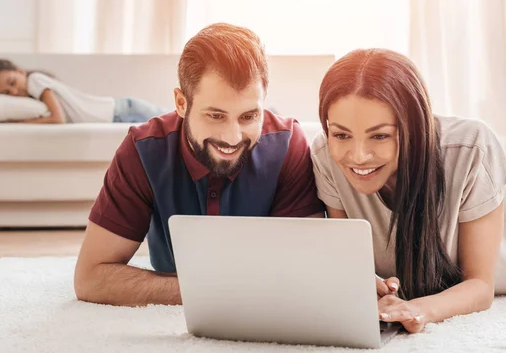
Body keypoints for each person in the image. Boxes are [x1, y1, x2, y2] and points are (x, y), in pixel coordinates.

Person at [73, 23, 326, 307]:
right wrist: (213, 292)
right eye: (216, 116)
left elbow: (308, 269)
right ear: (182, 103)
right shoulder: (142, 151)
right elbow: (90, 278)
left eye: (248, 116)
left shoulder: (288, 145)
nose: (233, 138)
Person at [311, 48, 506, 334]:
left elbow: (480, 286)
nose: (358, 156)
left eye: (379, 136)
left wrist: (418, 309)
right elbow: (348, 262)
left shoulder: (470, 147)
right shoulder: (324, 154)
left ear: (413, 128)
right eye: (341, 135)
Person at [0, 59, 168, 124]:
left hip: (122, 111)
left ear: (20, 71)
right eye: (6, 93)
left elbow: (57, 118)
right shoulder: (30, 85)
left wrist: (17, 124)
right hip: (118, 113)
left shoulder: (35, 81)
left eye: (12, 81)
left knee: (181, 120)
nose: (14, 91)